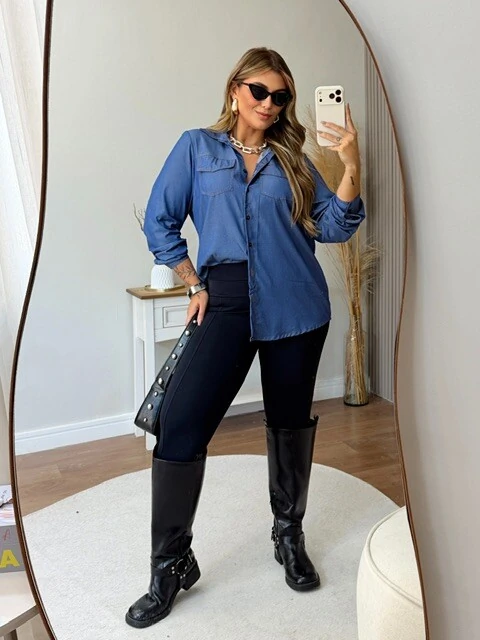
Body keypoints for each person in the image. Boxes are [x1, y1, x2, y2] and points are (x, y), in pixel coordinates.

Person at [125, 47, 365, 629]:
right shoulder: (197, 148)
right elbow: (160, 220)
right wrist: (191, 282)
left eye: (280, 96)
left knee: (289, 422)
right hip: (226, 299)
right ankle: (170, 564)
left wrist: (350, 166)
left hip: (296, 303)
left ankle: (288, 535)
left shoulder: (293, 161)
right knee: (180, 425)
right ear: (235, 89)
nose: (269, 103)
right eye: (259, 90)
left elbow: (334, 226)